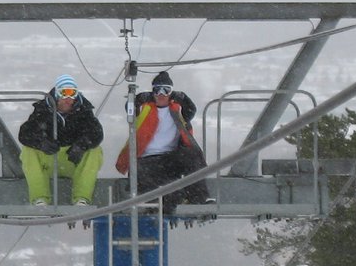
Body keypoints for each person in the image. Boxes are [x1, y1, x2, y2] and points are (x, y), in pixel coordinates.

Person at [114, 70, 212, 208]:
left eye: (166, 90)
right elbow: (130, 109)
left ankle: (200, 197)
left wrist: (183, 98)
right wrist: (138, 98)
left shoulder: (177, 111)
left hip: (169, 159)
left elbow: (191, 110)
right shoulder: (145, 109)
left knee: (192, 154)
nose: (161, 95)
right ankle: (169, 198)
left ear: (171, 92)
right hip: (145, 161)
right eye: (157, 90)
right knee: (168, 192)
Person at [18, 75, 104, 205]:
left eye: (73, 94)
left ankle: (81, 198)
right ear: (57, 94)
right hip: (49, 161)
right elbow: (25, 133)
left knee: (95, 151)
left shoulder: (83, 111)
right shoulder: (43, 111)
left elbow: (96, 133)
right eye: (65, 93)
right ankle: (40, 198)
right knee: (28, 151)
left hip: (72, 161)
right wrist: (41, 143)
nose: (69, 99)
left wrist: (81, 146)